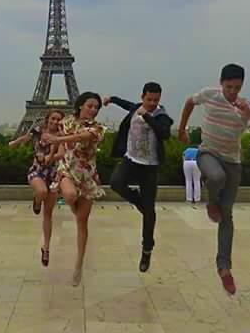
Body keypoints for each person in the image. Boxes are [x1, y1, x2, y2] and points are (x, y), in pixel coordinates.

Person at [177, 64, 250, 295]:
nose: (232, 92)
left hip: (233, 162)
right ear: (221, 83)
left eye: (237, 88)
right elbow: (189, 102)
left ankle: (224, 268)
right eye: (229, 87)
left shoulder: (248, 105)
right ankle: (211, 201)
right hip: (208, 153)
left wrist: (249, 114)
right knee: (216, 176)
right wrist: (182, 129)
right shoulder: (210, 95)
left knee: (226, 217)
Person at [104, 82, 173, 273]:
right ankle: (137, 200)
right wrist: (111, 99)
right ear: (142, 97)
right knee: (116, 183)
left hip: (149, 167)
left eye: (156, 100)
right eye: (149, 99)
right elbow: (125, 104)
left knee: (149, 212)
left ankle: (147, 250)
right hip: (131, 160)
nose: (152, 103)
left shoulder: (161, 116)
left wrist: (148, 116)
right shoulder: (136, 108)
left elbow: (164, 133)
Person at [44, 92, 105, 286]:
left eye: (96, 107)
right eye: (90, 105)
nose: (93, 110)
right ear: (80, 105)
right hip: (68, 170)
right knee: (70, 196)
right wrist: (52, 155)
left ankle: (78, 264)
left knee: (82, 221)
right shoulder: (66, 122)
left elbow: (81, 136)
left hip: (87, 175)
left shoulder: (97, 128)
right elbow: (63, 147)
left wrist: (56, 140)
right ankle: (70, 201)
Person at [9, 109, 64, 266]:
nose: (55, 122)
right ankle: (37, 200)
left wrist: (48, 157)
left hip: (53, 174)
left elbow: (61, 153)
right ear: (47, 119)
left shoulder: (62, 136)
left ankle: (46, 248)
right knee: (41, 191)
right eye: (53, 118)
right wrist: (14, 143)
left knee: (48, 214)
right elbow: (25, 138)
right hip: (37, 170)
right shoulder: (38, 130)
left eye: (58, 120)